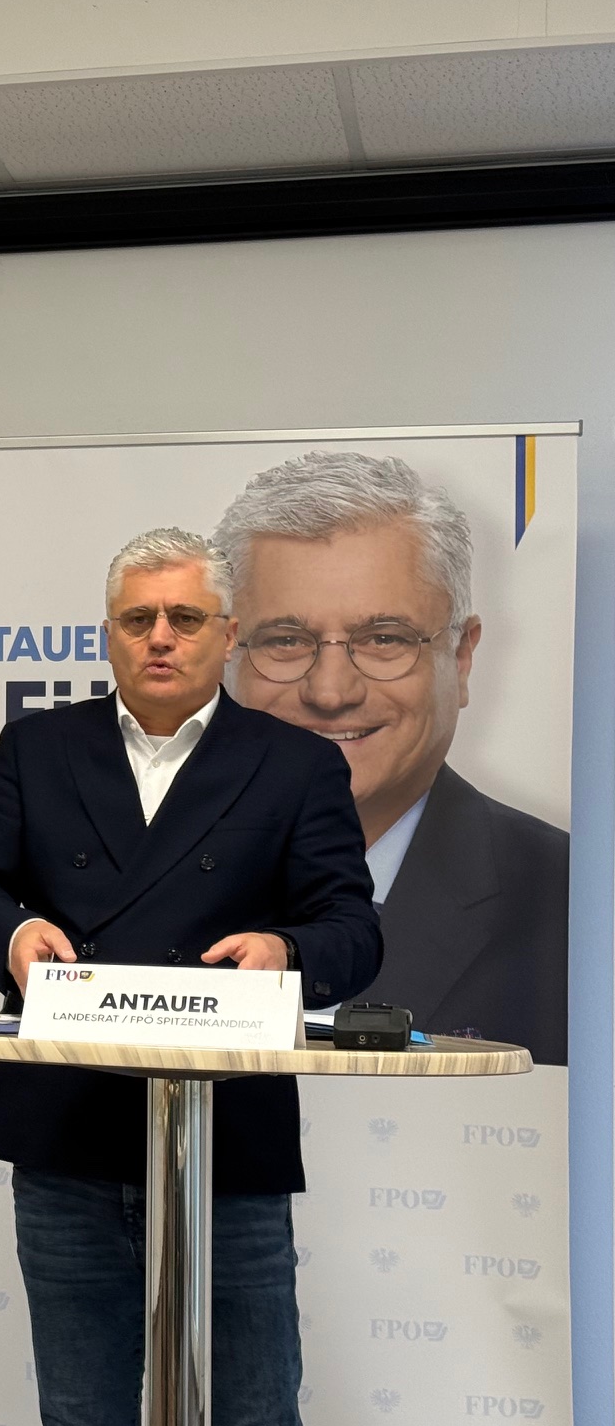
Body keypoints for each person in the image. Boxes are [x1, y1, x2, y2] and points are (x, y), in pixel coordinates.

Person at [0, 527, 380, 1426]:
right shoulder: (40, 747)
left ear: (229, 633)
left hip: (231, 1143)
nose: (161, 638)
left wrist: (287, 952)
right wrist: (14, 934)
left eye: (185, 617)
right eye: (138, 619)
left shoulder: (296, 764)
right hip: (66, 1135)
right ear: (109, 634)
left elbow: (354, 928)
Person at [215, 450, 568, 1063]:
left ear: (461, 659)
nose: (330, 693)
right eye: (285, 640)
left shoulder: (575, 902)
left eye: (384, 639)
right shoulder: (119, 869)